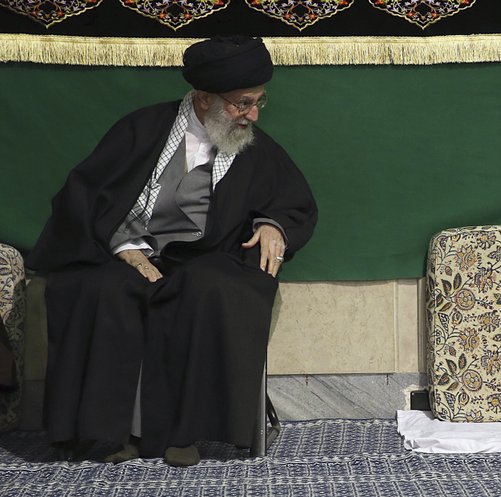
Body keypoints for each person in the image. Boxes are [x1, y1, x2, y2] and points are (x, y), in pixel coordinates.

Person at [25, 36, 317, 466]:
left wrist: (272, 225)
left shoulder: (256, 149)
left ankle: (184, 433)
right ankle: (106, 434)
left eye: (258, 102)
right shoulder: (141, 130)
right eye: (242, 104)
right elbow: (86, 197)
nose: (252, 115)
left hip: (204, 259)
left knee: (210, 288)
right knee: (101, 289)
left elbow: (291, 202)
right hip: (124, 251)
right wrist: (124, 245)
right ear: (203, 99)